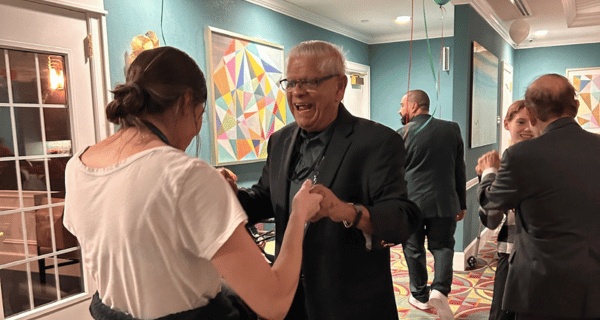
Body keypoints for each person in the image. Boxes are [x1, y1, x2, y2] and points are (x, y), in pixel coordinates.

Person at [63, 46, 323, 320]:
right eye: (200, 115)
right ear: (187, 103)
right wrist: (299, 214)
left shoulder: (78, 166)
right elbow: (275, 303)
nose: (196, 130)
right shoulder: (187, 175)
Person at [219, 40, 421, 320]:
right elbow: (265, 200)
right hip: (288, 300)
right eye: (291, 83)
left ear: (340, 87)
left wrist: (347, 211)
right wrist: (230, 195)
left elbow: (403, 219)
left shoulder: (377, 142)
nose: (297, 92)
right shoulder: (280, 140)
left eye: (309, 82)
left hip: (351, 305)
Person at [477, 74, 600, 320]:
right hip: (592, 280)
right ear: (575, 108)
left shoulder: (520, 156)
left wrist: (489, 173)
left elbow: (491, 211)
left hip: (540, 285)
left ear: (532, 115)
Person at [397, 89, 466, 320]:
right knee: (443, 246)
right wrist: (462, 202)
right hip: (445, 202)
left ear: (414, 106)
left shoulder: (401, 134)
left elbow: (395, 175)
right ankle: (440, 290)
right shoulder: (452, 129)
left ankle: (419, 294)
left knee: (413, 249)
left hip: (411, 204)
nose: (400, 110)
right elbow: (459, 168)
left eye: (402, 105)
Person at [476, 100, 532, 320]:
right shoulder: (504, 163)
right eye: (520, 121)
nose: (527, 128)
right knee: (501, 314)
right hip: (509, 250)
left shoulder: (545, 160)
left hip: (542, 255)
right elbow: (490, 219)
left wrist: (490, 174)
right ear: (507, 124)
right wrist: (488, 176)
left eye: (532, 122)